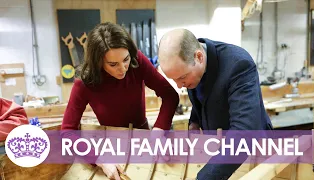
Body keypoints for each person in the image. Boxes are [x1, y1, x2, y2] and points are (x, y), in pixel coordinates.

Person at [61, 22, 179, 180]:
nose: (123, 68)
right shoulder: (84, 83)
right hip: (111, 149)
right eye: (113, 64)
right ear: (98, 62)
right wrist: (98, 159)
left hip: (144, 142)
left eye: (126, 59)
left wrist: (158, 131)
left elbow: (170, 95)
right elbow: (67, 133)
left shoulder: (138, 62)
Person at [158, 29, 273, 180]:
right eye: (174, 80)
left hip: (253, 156)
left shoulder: (238, 64)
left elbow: (245, 132)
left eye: (182, 78)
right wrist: (195, 122)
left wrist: (205, 177)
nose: (179, 86)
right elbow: (205, 96)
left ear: (199, 57)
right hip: (220, 155)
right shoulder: (192, 65)